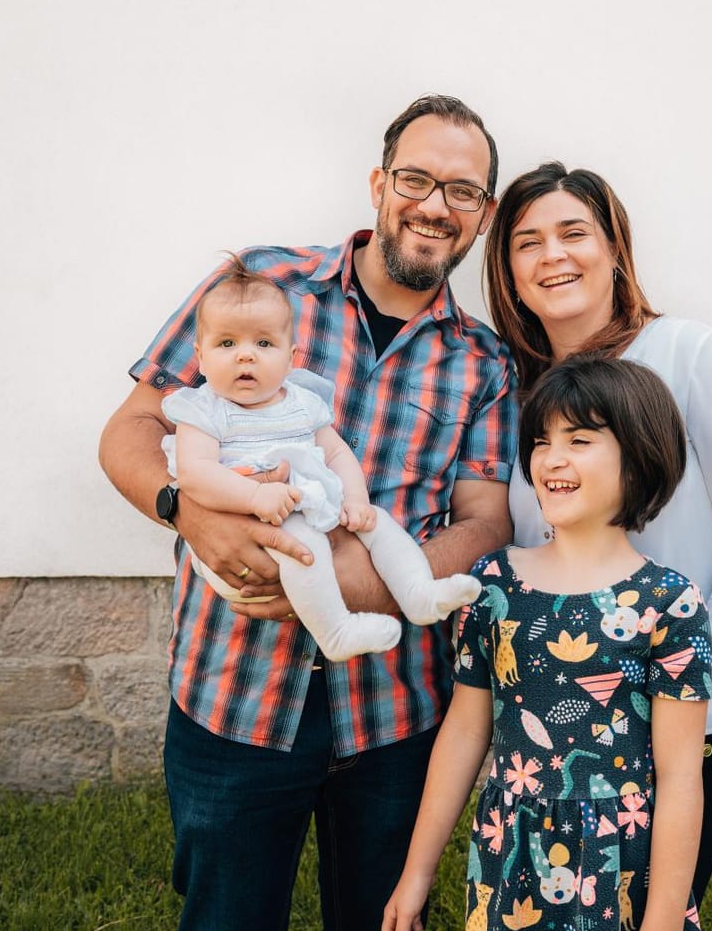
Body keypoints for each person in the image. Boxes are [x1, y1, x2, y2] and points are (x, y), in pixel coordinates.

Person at [98, 94, 517, 931]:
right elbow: (130, 430)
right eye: (416, 178)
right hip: (235, 699)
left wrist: (366, 579)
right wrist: (181, 504)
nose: (434, 203)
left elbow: (486, 521)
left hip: (390, 718)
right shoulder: (260, 288)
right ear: (379, 185)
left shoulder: (481, 359)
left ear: (482, 213)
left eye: (462, 189)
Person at [382, 355, 712, 931]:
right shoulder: (495, 585)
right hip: (512, 864)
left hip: (621, 872)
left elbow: (682, 775)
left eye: (581, 438)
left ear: (639, 457)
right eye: (541, 440)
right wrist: (417, 872)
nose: (552, 458)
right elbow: (466, 733)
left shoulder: (670, 602)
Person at [483, 161, 712, 905]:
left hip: (683, 728)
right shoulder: (519, 394)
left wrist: (668, 681)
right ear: (508, 273)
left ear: (616, 250)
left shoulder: (691, 356)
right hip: (558, 733)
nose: (552, 255)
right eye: (527, 242)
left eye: (573, 233)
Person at [162, 253, 482, 660]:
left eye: (263, 343)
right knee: (305, 542)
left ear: (291, 356)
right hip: (246, 534)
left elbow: (335, 451)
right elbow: (195, 473)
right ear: (201, 357)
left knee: (377, 524)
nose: (246, 355)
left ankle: (417, 593)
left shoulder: (302, 400)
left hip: (309, 503)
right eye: (227, 343)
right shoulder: (204, 410)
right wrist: (255, 498)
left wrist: (354, 499)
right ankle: (336, 631)